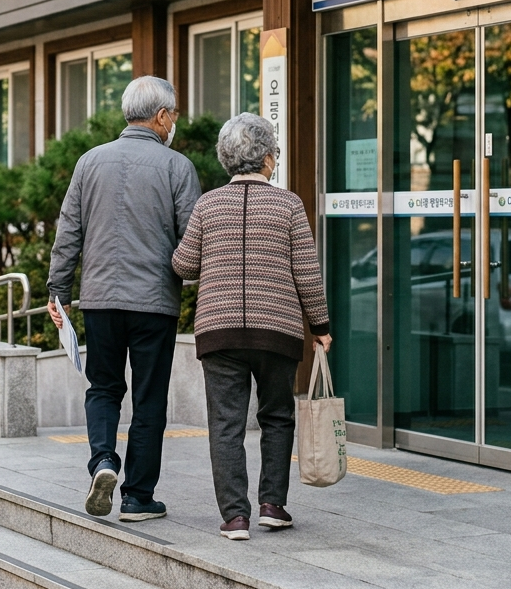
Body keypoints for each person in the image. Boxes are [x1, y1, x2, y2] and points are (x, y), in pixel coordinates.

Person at [171, 113, 331, 542]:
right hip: (276, 330)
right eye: (274, 152)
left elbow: (183, 265)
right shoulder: (289, 204)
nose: (274, 159)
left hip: (219, 330)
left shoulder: (207, 204)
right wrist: (321, 325)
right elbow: (307, 274)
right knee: (277, 416)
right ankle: (272, 506)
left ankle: (235, 517)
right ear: (265, 159)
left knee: (226, 424)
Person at [48, 75, 201, 522]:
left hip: (98, 298)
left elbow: (68, 233)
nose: (174, 122)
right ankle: (137, 497)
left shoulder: (89, 162)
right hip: (154, 304)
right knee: (149, 398)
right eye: (172, 114)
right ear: (160, 116)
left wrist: (59, 292)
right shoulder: (178, 167)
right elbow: (192, 242)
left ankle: (102, 462)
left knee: (104, 388)